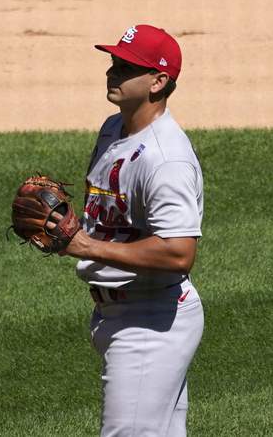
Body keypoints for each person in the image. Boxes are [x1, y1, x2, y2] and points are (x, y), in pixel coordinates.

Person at [63, 23, 205, 437]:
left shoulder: (166, 160)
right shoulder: (113, 129)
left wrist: (84, 245)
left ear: (159, 81)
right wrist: (65, 227)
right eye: (114, 63)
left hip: (150, 321)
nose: (113, 72)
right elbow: (113, 219)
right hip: (116, 312)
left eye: (127, 68)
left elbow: (179, 252)